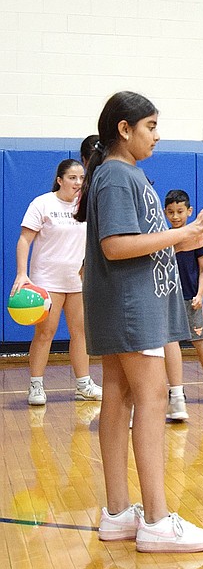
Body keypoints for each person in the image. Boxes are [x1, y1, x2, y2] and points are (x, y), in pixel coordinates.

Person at [74, 91, 203, 552]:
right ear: (125, 129)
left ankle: (118, 513)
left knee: (117, 397)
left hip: (129, 303)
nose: (157, 135)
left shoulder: (123, 174)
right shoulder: (118, 176)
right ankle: (157, 520)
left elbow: (139, 243)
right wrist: (182, 233)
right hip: (132, 309)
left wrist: (183, 238)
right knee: (152, 398)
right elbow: (115, 246)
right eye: (151, 126)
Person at [11, 159, 102, 406]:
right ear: (60, 180)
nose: (78, 182)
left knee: (80, 332)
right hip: (47, 281)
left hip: (77, 281)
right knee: (45, 333)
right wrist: (22, 274)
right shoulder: (42, 203)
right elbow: (23, 241)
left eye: (82, 178)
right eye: (72, 177)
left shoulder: (86, 206)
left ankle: (83, 384)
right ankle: (36, 385)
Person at [164, 189, 203, 416]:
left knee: (199, 341)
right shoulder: (165, 237)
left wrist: (200, 295)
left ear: (189, 211)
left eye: (180, 211)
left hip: (191, 298)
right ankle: (175, 389)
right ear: (164, 213)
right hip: (170, 298)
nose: (176, 216)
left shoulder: (195, 238)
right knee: (170, 345)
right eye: (171, 212)